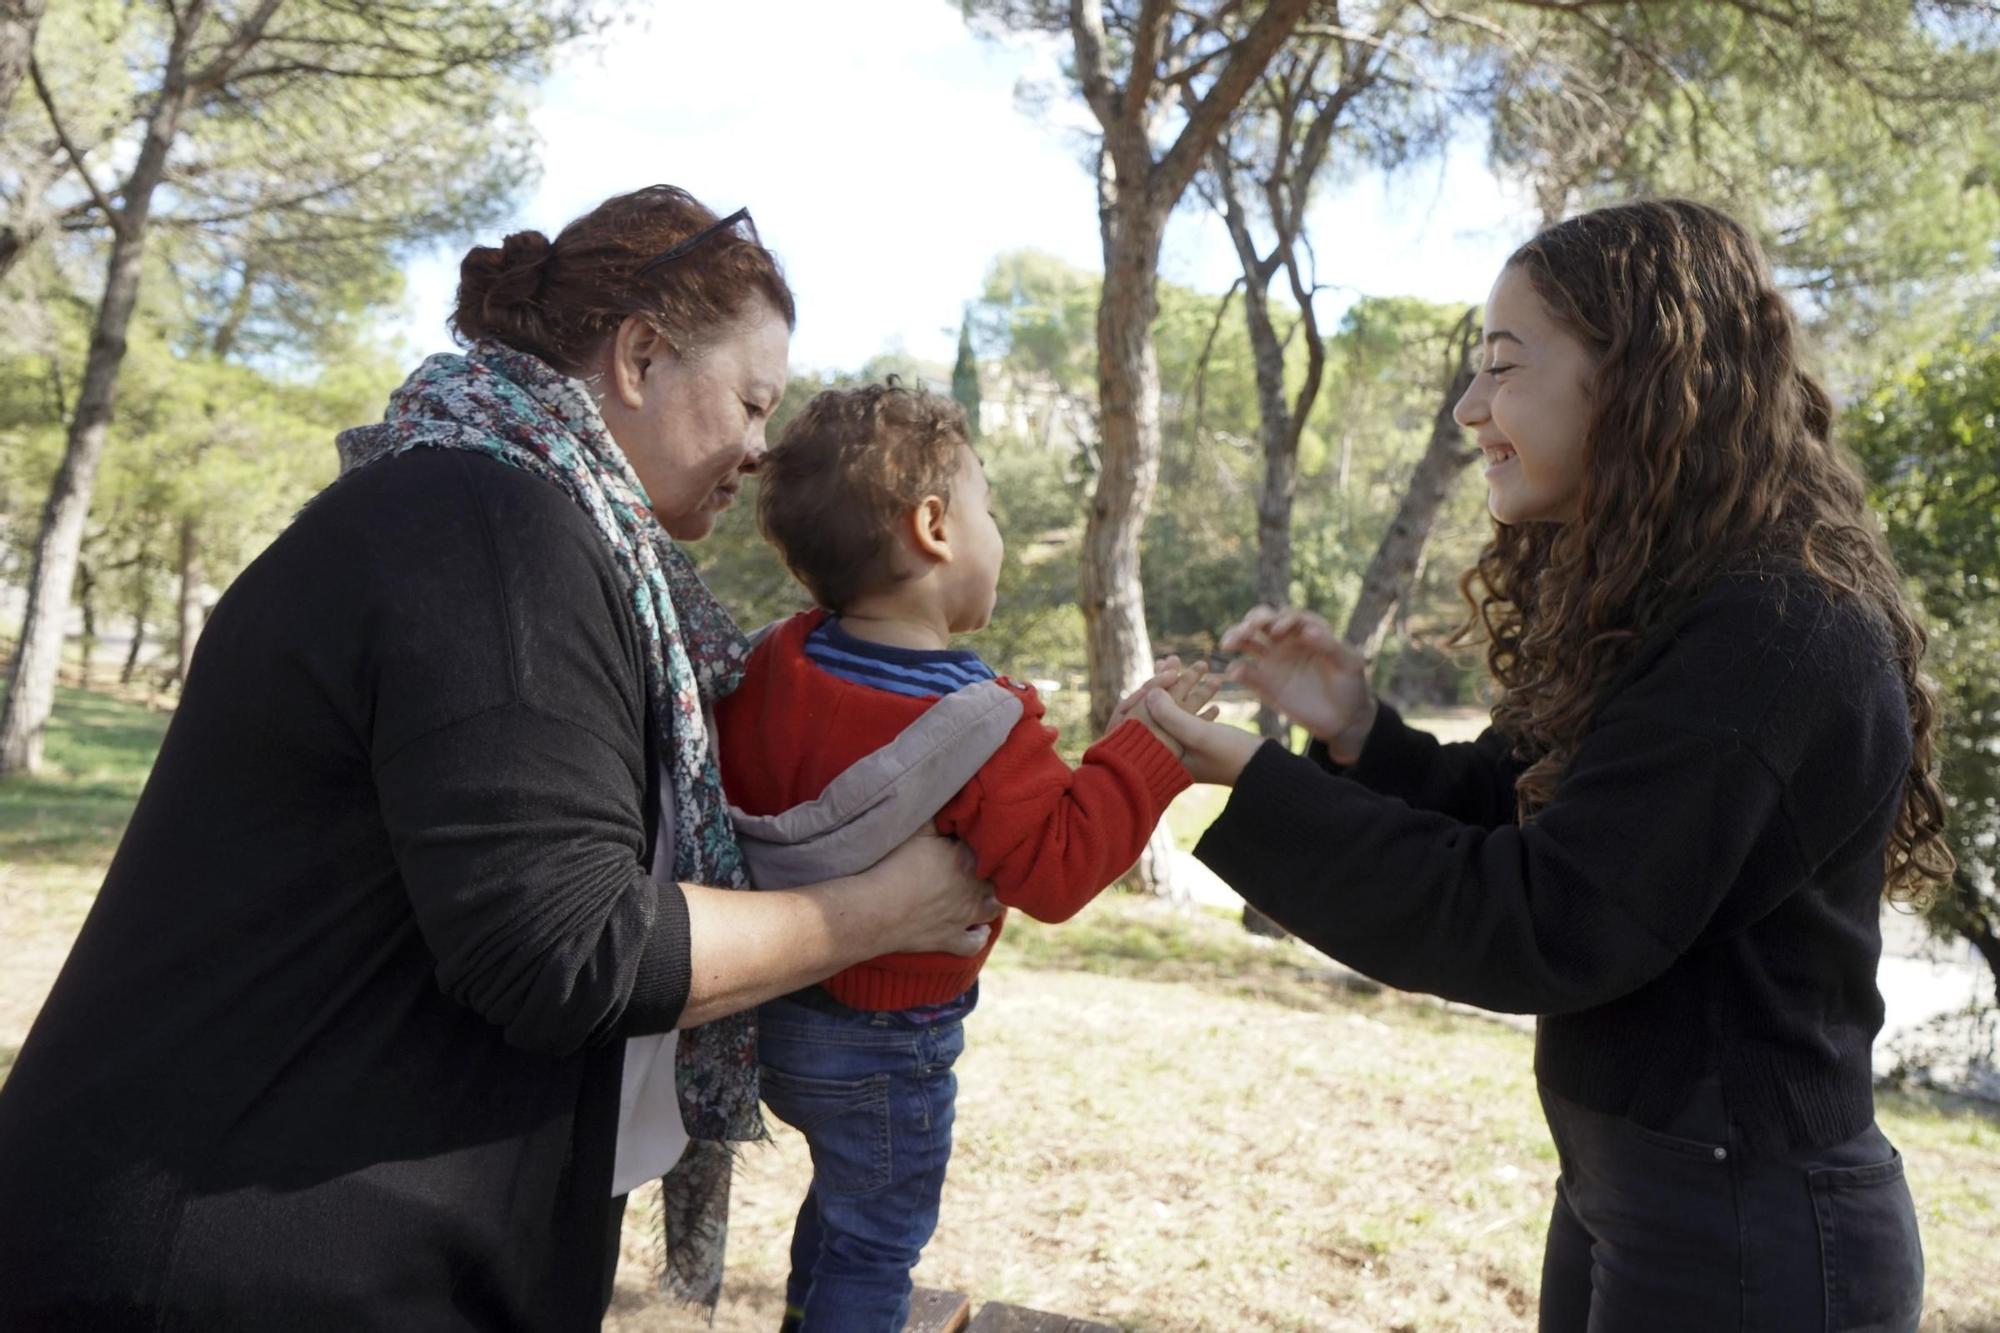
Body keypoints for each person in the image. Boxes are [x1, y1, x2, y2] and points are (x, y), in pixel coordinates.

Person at [0, 186, 999, 1331]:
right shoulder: (490, 530)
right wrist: (885, 908)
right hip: (230, 1265)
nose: (762, 446)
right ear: (638, 354)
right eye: (750, 400)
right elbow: (571, 944)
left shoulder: (524, 522)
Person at [1138, 199, 1946, 1332]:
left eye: (1501, 368)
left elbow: (1548, 917)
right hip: (1650, 1187)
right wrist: (1358, 733)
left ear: (1639, 378)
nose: (1470, 408)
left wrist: (1253, 782)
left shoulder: (1773, 629)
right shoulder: (1685, 609)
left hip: (1746, 1230)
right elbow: (1520, 818)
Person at [713, 381, 1217, 1330]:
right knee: (876, 1244)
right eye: (991, 506)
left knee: (837, 1217)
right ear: (934, 526)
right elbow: (1058, 869)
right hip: (890, 1046)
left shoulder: (773, 661)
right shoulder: (981, 719)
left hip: (772, 1012)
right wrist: (1147, 753)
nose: (998, 530)